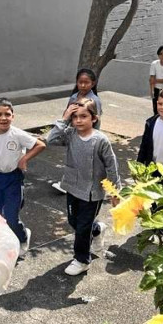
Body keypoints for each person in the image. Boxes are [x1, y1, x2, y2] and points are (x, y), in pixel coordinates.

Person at [46, 99, 120, 276]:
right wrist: (63, 119)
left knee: (82, 227)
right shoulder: (70, 134)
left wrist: (115, 191)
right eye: (74, 117)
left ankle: (82, 259)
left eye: (83, 116)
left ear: (94, 118)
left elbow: (111, 165)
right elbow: (51, 139)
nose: (78, 120)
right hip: (72, 186)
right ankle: (97, 229)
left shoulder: (100, 140)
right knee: (74, 222)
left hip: (92, 192)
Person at [0, 99, 46, 258]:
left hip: (13, 179)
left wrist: (24, 159)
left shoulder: (17, 134)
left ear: (13, 116)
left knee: (11, 217)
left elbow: (40, 145)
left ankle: (23, 237)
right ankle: (1, 240)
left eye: (7, 114)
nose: (3, 118)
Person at [52, 67, 102, 194]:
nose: (83, 85)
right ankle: (68, 183)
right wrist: (64, 126)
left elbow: (96, 120)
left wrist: (93, 135)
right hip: (73, 134)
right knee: (72, 160)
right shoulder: (74, 96)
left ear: (93, 83)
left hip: (86, 135)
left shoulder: (94, 100)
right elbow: (67, 114)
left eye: (87, 82)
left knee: (84, 160)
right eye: (80, 82)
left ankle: (79, 184)